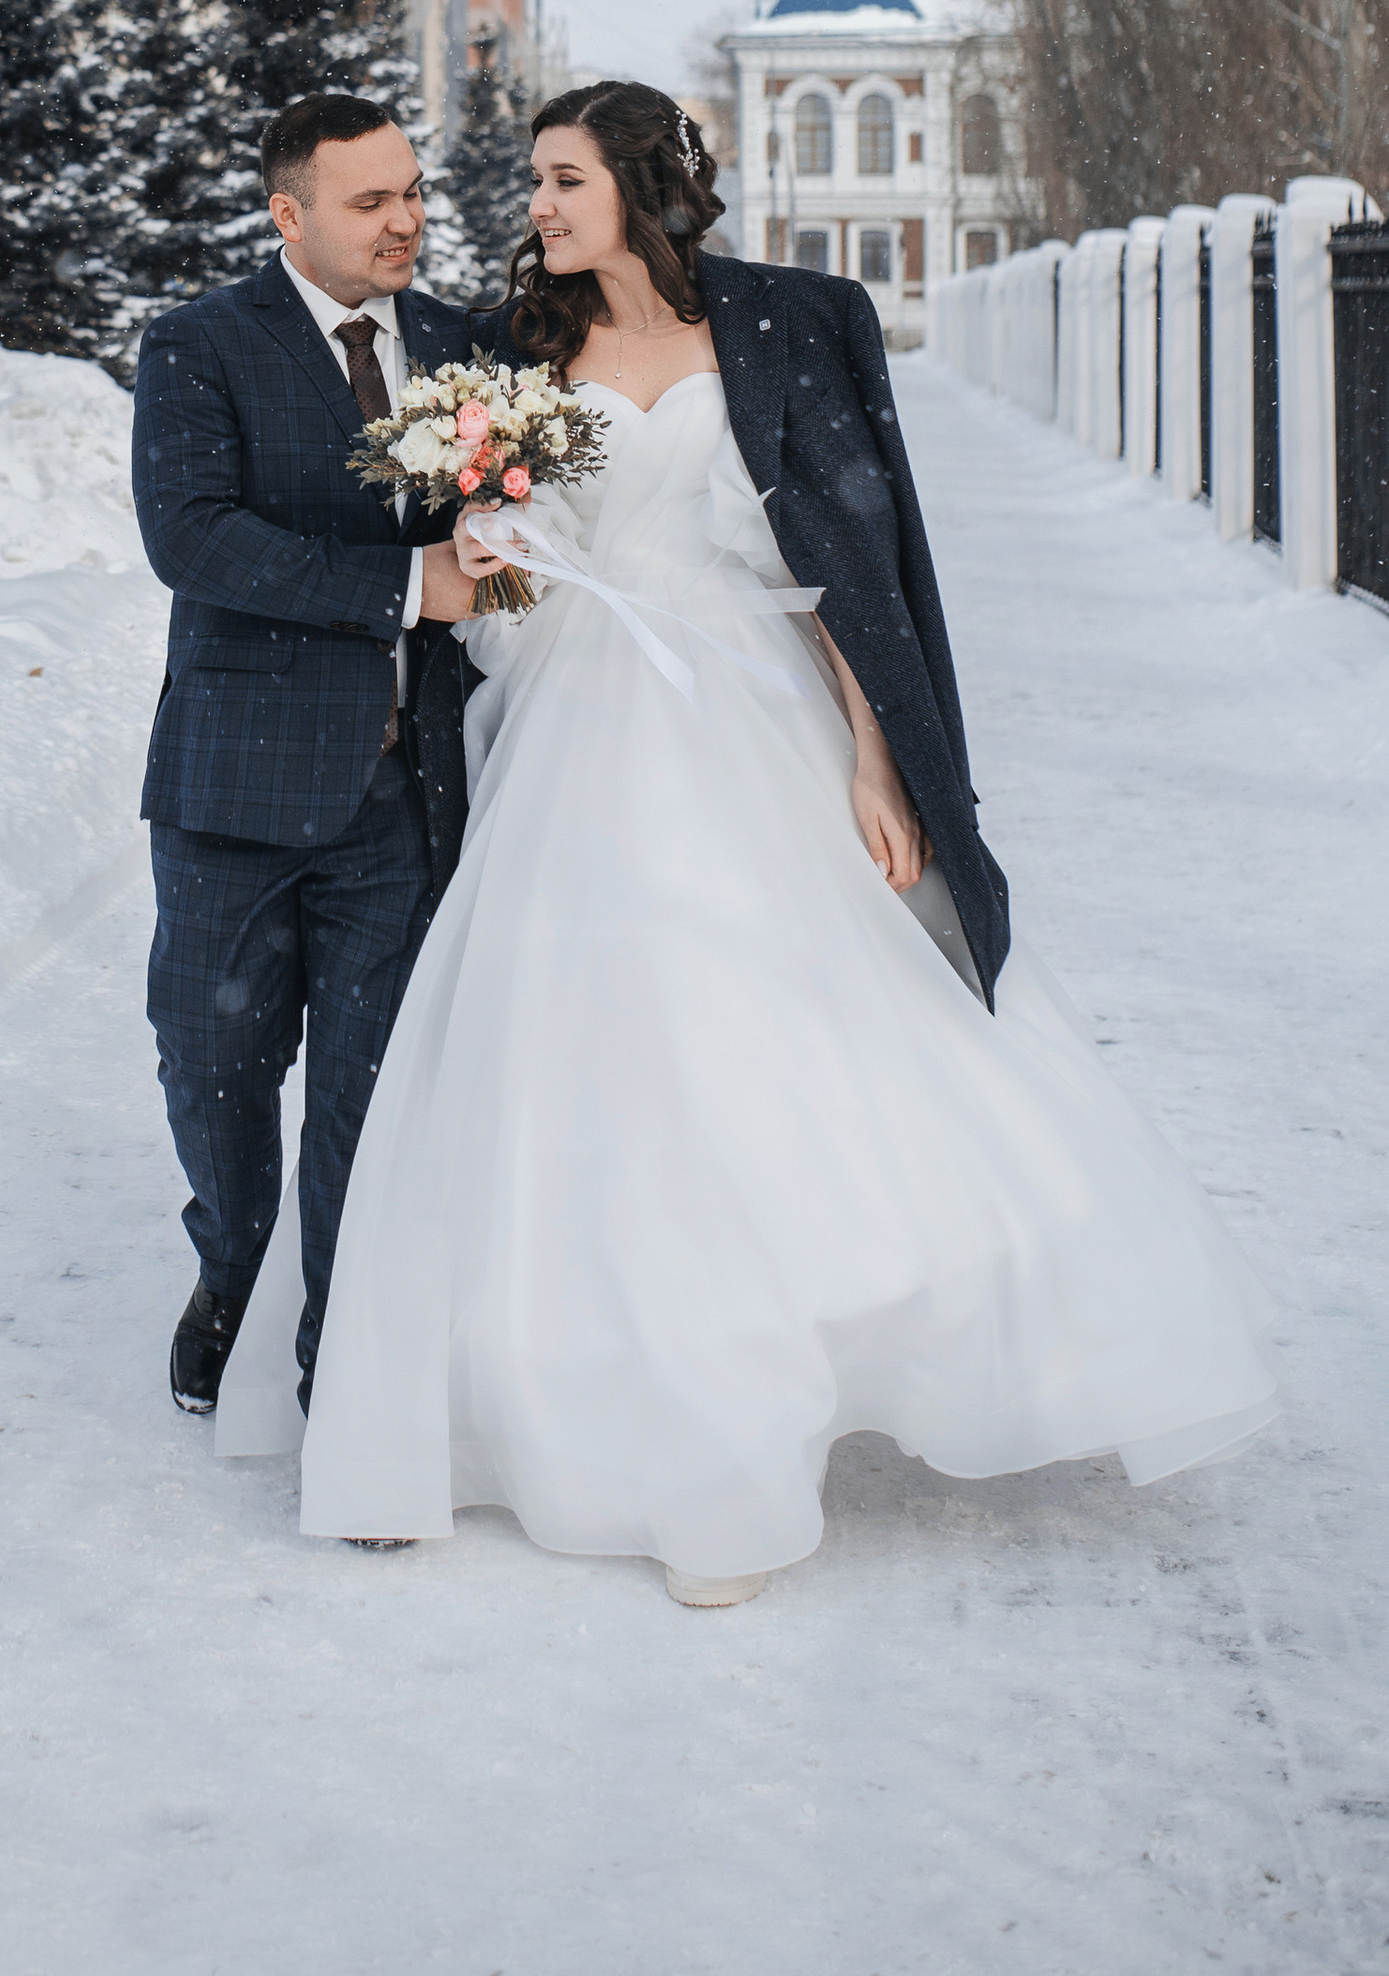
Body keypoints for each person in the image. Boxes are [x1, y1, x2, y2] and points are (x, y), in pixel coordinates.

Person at [217, 80, 1277, 1602]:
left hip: (755, 703)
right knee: (600, 1047)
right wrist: (495, 550)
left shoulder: (787, 322)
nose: (536, 205)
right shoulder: (517, 349)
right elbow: (499, 566)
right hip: (581, 716)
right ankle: (644, 1417)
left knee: (802, 1030)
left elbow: (848, 553)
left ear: (641, 184)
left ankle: (834, 1353)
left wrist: (877, 758)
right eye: (535, 181)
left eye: (565, 178)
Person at [130, 91, 483, 1416]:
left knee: (365, 1087)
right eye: (370, 201)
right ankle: (232, 1269)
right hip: (236, 782)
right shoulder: (199, 345)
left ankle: (339, 1353)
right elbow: (193, 537)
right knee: (215, 1065)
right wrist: (403, 586)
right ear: (290, 214)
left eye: (412, 191)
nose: (406, 221)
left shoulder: (461, 347)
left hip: (406, 789)